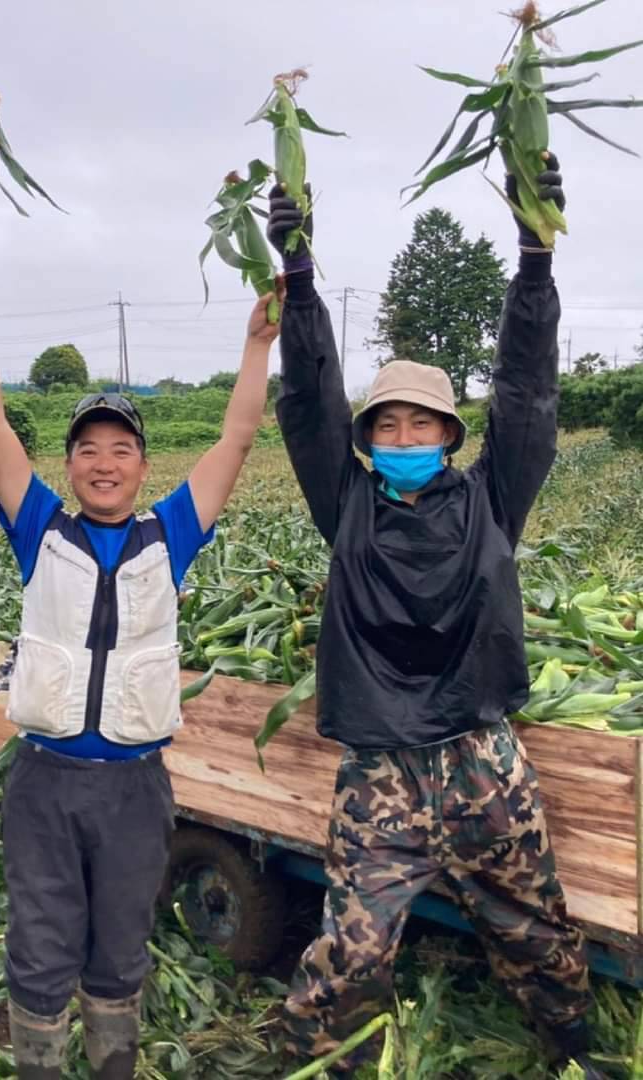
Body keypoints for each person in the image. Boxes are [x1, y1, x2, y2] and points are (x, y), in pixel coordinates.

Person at [266, 156, 606, 1077]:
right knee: (353, 956)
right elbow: (305, 398)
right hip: (380, 769)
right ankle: (316, 1063)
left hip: (481, 758)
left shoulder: (494, 499)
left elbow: (530, 391)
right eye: (389, 425)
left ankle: (572, 1054)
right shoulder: (347, 504)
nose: (406, 438)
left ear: (452, 435)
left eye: (424, 424)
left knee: (533, 931)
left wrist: (535, 258)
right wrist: (297, 275)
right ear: (369, 440)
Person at [0, 252, 278, 1079]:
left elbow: (236, 436)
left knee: (120, 950)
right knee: (41, 946)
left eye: (121, 448)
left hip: (135, 788)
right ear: (70, 464)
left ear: (142, 466)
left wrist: (258, 345)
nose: (104, 462)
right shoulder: (40, 527)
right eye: (88, 449)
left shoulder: (173, 534)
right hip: (45, 784)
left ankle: (114, 1066)